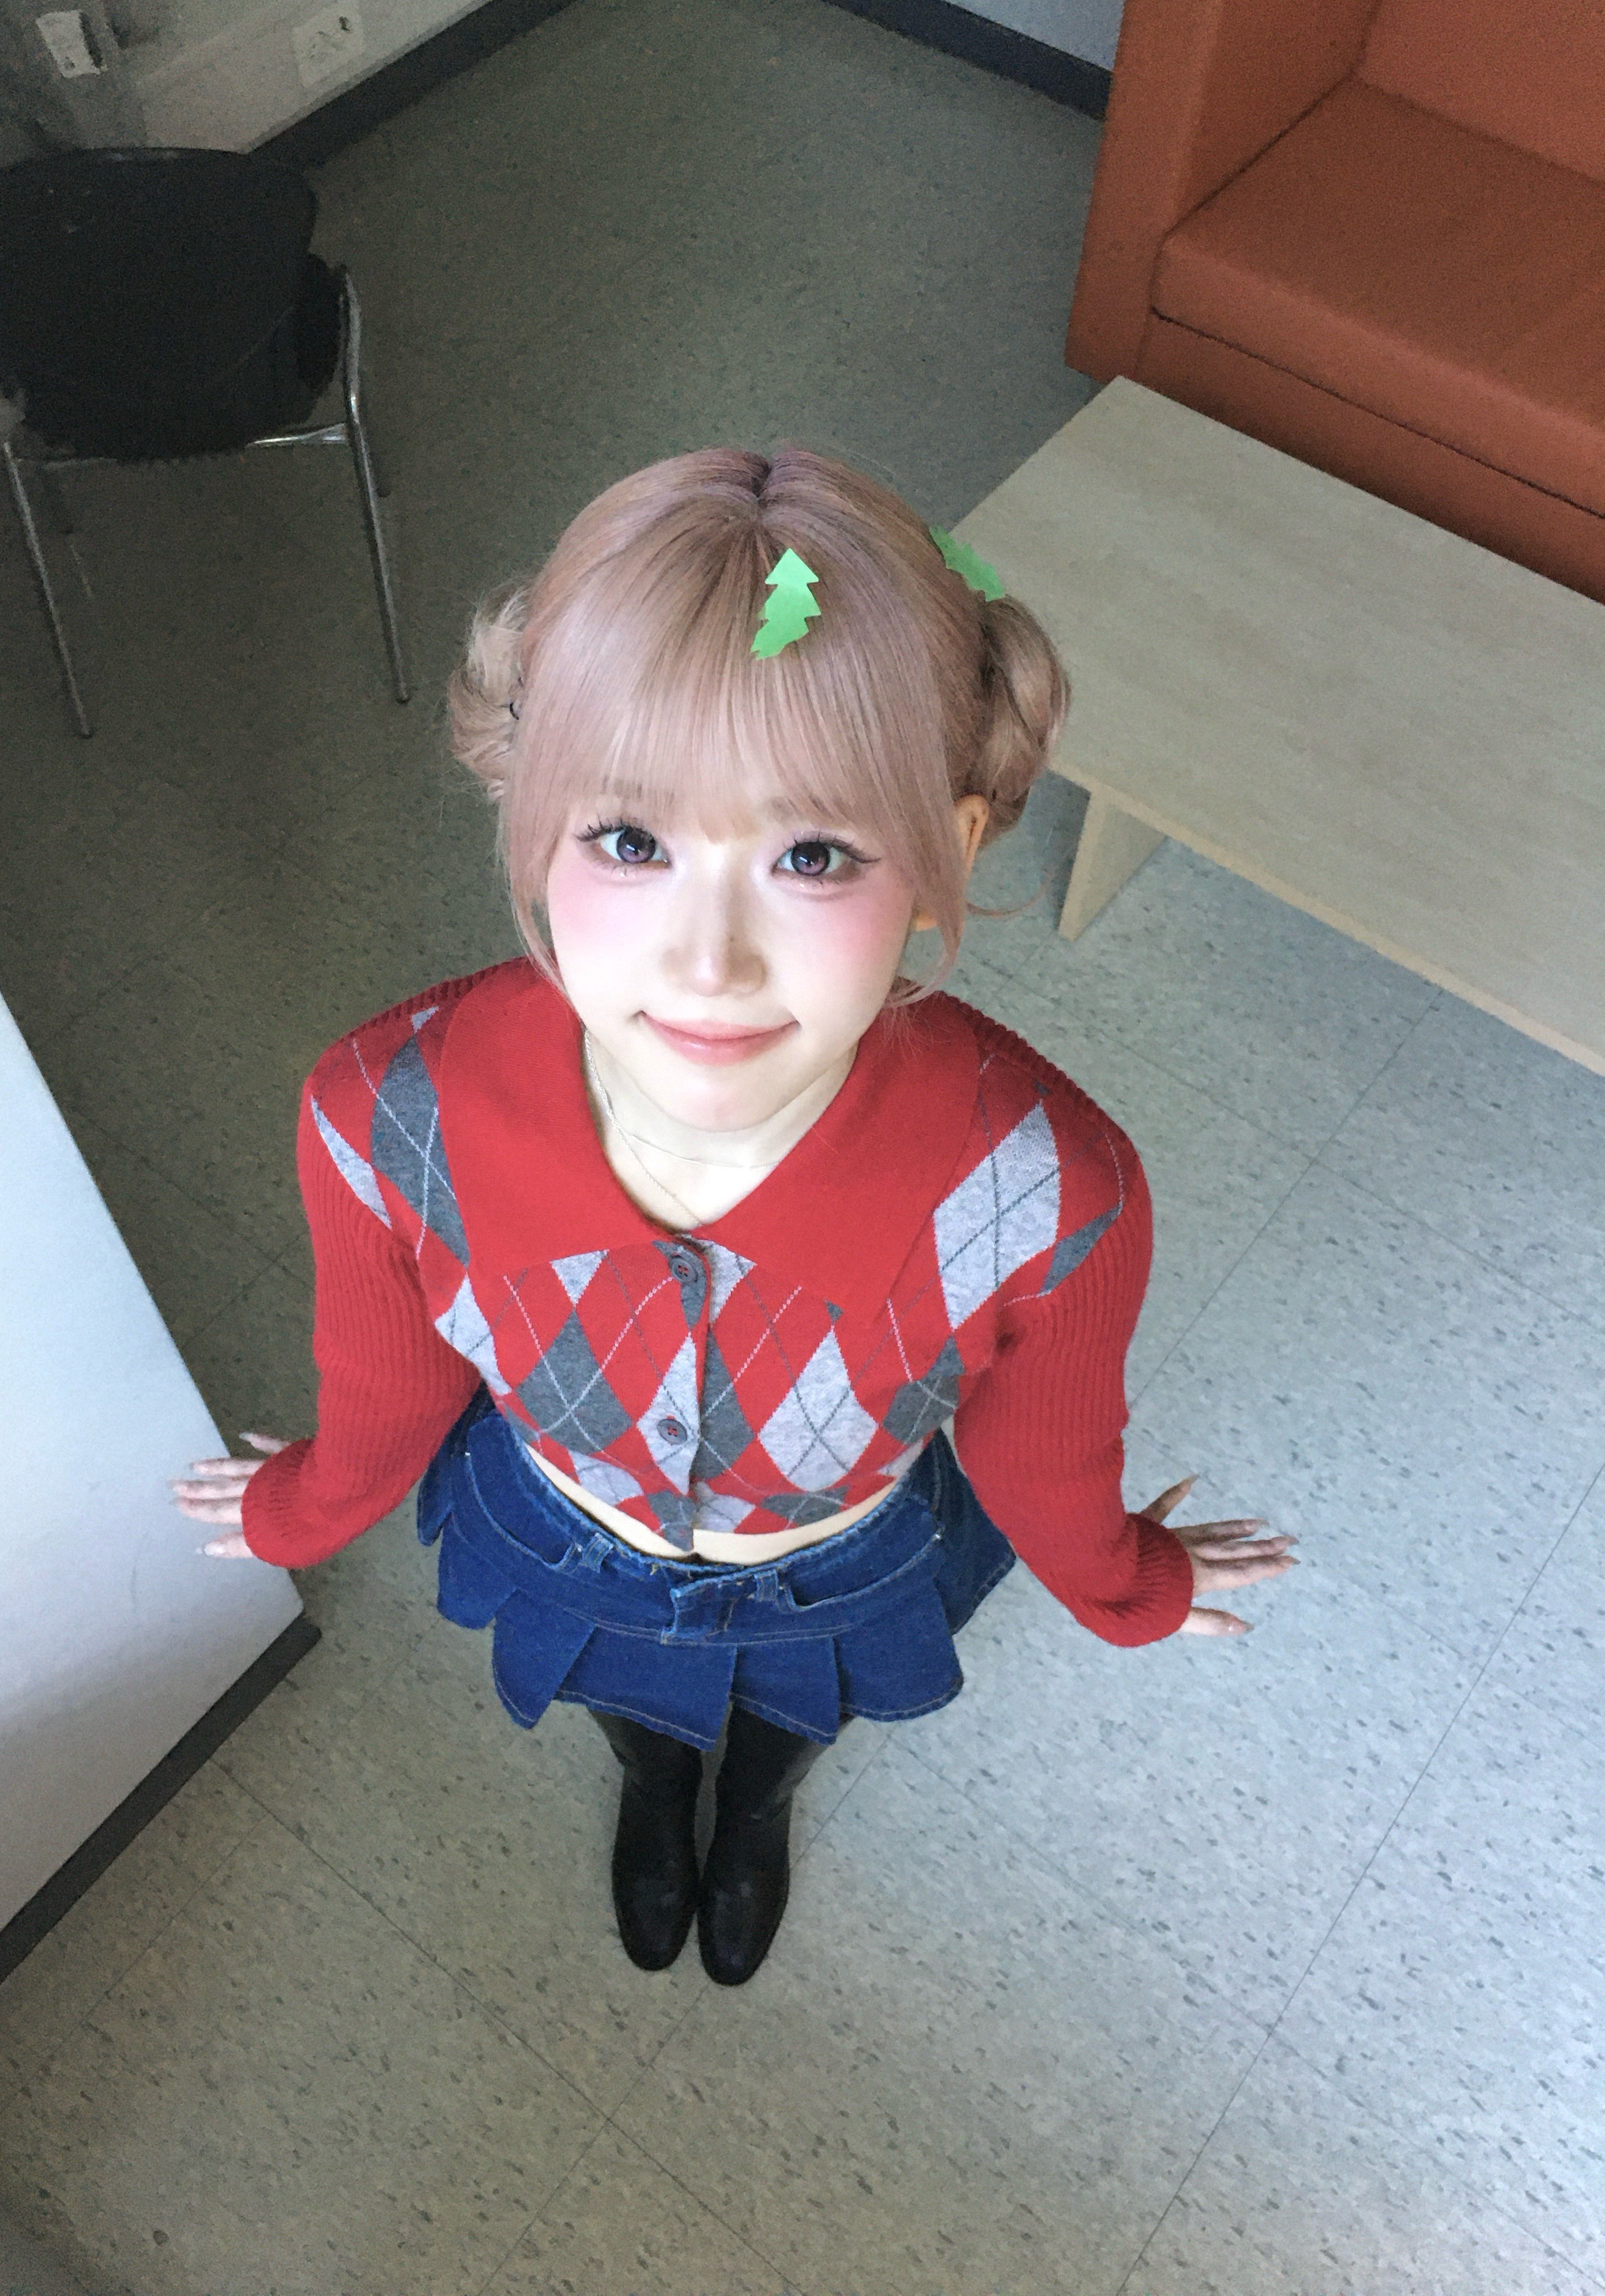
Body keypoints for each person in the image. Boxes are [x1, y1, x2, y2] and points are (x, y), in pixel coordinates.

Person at [173, 447, 1297, 1986]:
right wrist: (298, 1508)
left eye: (812, 853)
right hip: (567, 1535)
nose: (710, 962)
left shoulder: (1047, 1193)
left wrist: (1131, 1588)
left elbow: (1042, 1460)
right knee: (629, 1704)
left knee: (791, 1718)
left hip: (846, 1562)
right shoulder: (383, 1119)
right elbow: (390, 1389)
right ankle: (655, 1783)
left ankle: (754, 1804)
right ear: (532, 815)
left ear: (950, 850)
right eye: (630, 841)